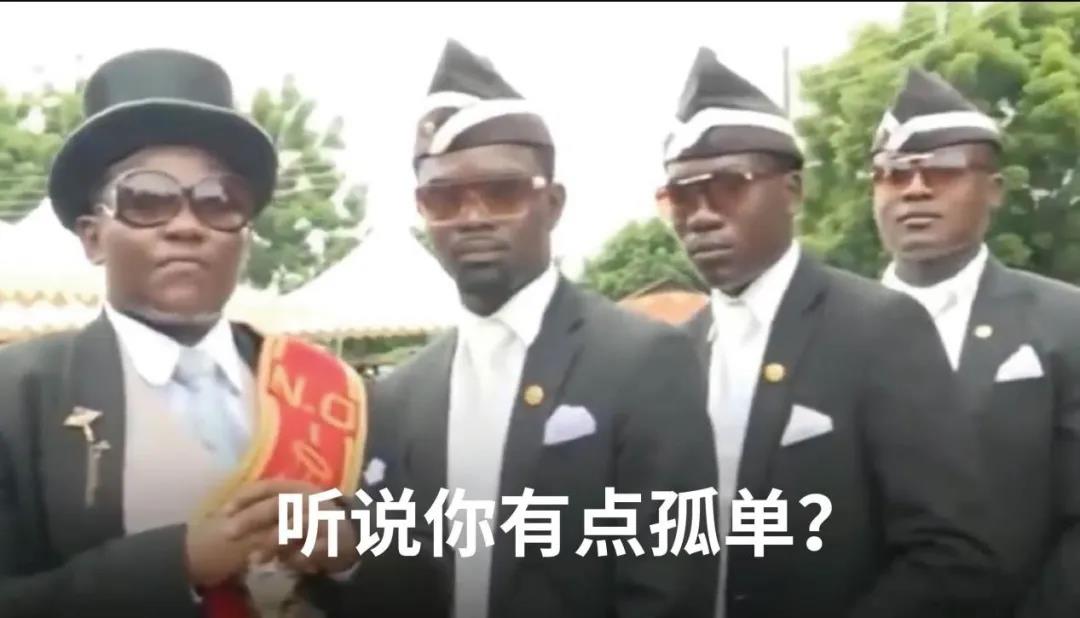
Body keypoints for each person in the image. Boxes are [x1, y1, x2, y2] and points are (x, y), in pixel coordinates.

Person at [0, 49, 366, 617]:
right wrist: (178, 564)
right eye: (147, 199)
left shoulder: (332, 394)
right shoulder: (16, 395)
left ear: (245, 236)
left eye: (219, 202)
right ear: (93, 237)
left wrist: (350, 555)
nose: (187, 226)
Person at [364, 39, 719, 618]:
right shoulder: (401, 395)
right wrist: (338, 562)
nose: (472, 217)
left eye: (502, 192)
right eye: (443, 198)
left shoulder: (645, 361)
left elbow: (675, 584)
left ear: (552, 204)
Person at [661, 48, 1002, 618]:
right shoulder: (676, 352)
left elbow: (953, 554)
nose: (700, 216)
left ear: (792, 191)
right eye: (681, 195)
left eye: (727, 188)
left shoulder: (879, 328)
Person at [872, 68, 1080, 617]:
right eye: (893, 173)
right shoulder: (825, 333)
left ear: (994, 190)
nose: (915, 189)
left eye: (943, 170)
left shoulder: (1066, 323)